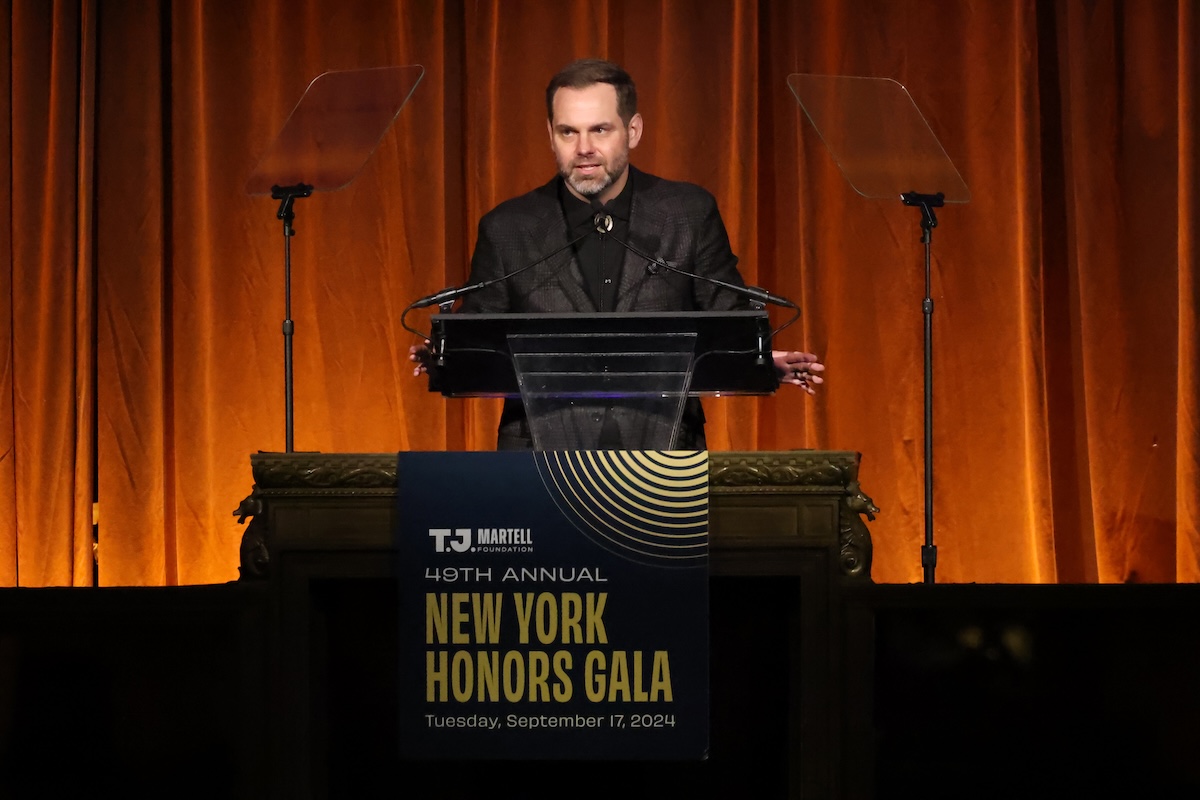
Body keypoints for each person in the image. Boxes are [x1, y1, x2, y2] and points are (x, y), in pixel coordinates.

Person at [411, 58, 823, 448]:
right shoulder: (508, 228)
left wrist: (758, 358)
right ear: (550, 134)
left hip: (662, 450)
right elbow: (481, 335)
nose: (584, 147)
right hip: (539, 455)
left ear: (634, 130)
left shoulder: (686, 214)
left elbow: (725, 314)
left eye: (600, 130)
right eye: (568, 132)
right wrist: (446, 355)